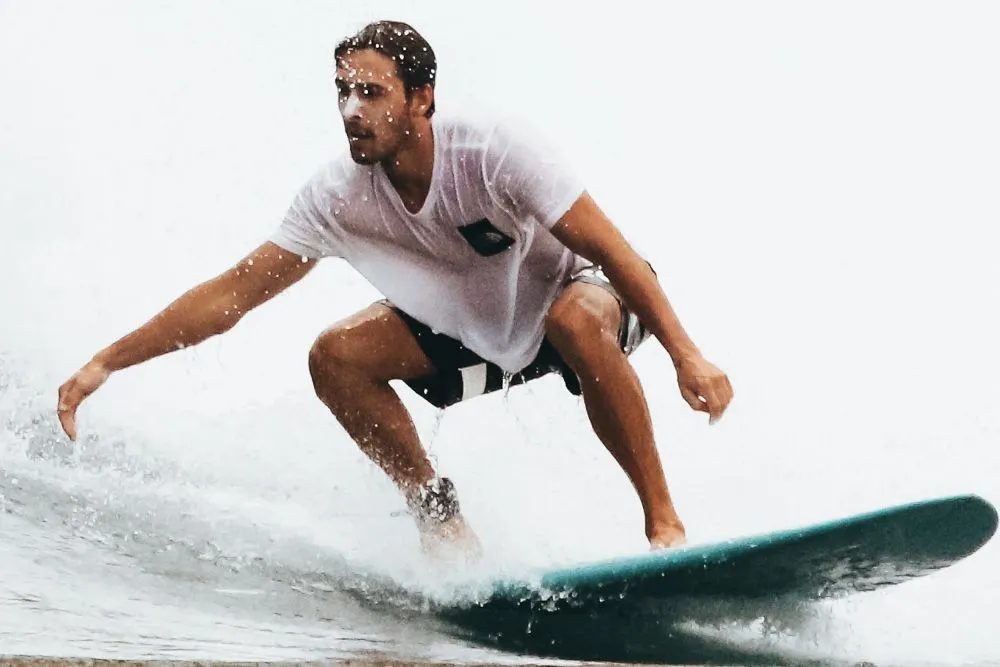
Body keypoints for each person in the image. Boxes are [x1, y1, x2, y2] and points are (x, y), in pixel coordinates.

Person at [56, 20, 733, 556]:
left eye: (371, 93)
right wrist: (104, 362)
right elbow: (231, 294)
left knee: (576, 320)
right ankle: (438, 517)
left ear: (422, 98)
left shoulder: (494, 149)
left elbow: (614, 252)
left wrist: (686, 354)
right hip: (485, 338)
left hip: (587, 296)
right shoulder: (337, 196)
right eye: (343, 93)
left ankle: (663, 526)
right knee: (336, 356)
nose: (352, 109)